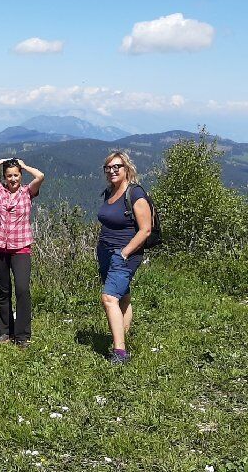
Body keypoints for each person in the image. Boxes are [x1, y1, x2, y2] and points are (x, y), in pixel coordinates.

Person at [0, 157, 45, 346]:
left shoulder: (28, 192)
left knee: (22, 290)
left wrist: (23, 164)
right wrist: (4, 161)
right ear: (4, 177)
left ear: (21, 176)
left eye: (16, 175)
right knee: (4, 290)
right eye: (9, 175)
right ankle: (4, 331)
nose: (13, 179)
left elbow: (40, 176)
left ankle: (22, 335)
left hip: (21, 247)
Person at [96, 151, 151, 364]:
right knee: (123, 296)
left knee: (109, 298)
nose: (112, 171)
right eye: (108, 168)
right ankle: (123, 333)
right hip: (105, 251)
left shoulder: (135, 194)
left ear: (126, 168)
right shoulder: (110, 192)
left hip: (126, 253)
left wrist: (124, 253)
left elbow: (145, 230)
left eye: (116, 166)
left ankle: (120, 352)